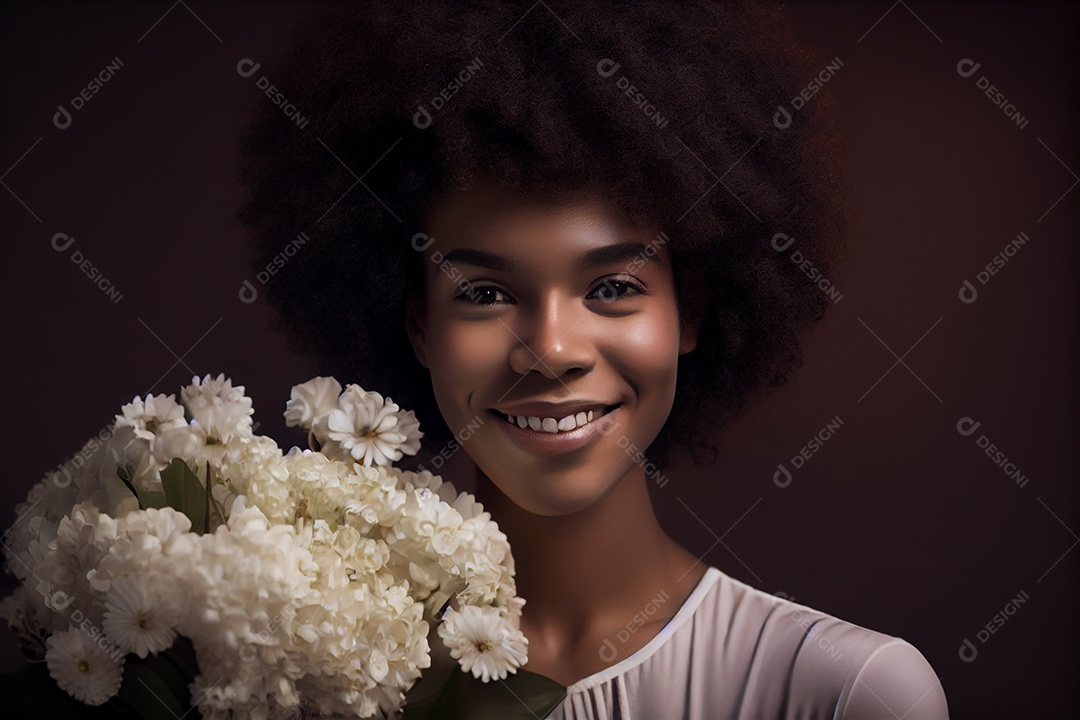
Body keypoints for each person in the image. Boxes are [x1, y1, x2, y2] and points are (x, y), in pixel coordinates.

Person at [236, 1, 950, 717]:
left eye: (612, 287)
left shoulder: (845, 691)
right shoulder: (303, 675)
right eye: (483, 292)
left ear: (690, 311)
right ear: (418, 325)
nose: (549, 350)